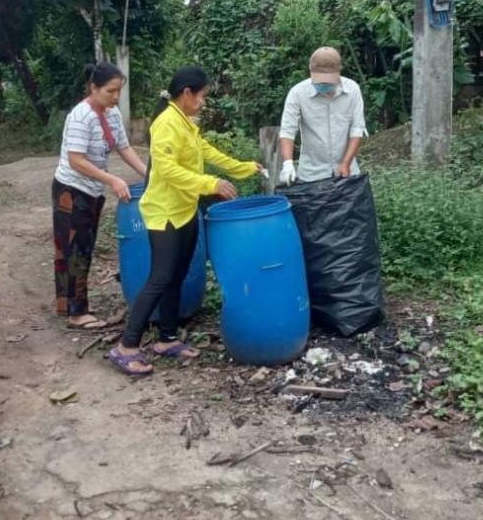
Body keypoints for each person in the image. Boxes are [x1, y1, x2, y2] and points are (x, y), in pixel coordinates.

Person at [109, 66, 262, 377]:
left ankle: (166, 338)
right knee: (160, 278)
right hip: (164, 213)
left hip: (185, 210)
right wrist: (210, 185)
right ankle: (126, 346)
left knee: (177, 274)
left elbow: (207, 152)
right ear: (187, 93)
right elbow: (165, 171)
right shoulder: (165, 124)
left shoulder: (185, 123)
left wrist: (244, 168)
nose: (204, 102)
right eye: (202, 95)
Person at [53, 63, 147, 330]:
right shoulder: (80, 116)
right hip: (71, 190)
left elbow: (123, 147)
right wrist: (112, 179)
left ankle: (66, 305)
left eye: (118, 91)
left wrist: (147, 172)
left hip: (92, 189)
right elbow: (75, 160)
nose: (115, 97)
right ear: (93, 88)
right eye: (110, 91)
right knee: (74, 249)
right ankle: (76, 312)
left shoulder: (112, 113)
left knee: (82, 246)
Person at [278, 46, 367, 185]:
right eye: (320, 81)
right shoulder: (298, 93)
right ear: (311, 72)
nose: (324, 85)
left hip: (347, 172)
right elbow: (287, 131)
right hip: (311, 173)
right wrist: (288, 163)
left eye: (328, 81)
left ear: (338, 72)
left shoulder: (352, 90)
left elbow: (357, 129)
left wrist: (346, 163)